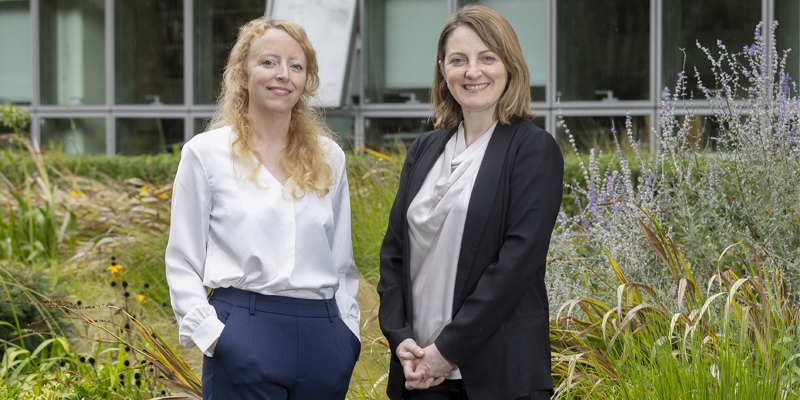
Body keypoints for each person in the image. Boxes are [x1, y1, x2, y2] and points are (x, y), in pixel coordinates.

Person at [165, 16, 360, 400]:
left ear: (306, 80)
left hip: (324, 340)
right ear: (242, 73)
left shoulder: (329, 158)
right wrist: (214, 336)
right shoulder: (206, 155)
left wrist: (347, 334)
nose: (283, 74)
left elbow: (342, 262)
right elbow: (182, 260)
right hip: (242, 333)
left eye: (296, 65)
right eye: (269, 61)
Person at [377, 5, 563, 400]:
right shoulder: (424, 149)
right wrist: (399, 336)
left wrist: (447, 351)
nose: (472, 71)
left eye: (487, 58)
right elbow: (394, 253)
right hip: (420, 371)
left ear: (509, 66)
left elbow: (517, 264)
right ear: (443, 70)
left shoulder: (533, 150)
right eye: (458, 60)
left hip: (499, 378)